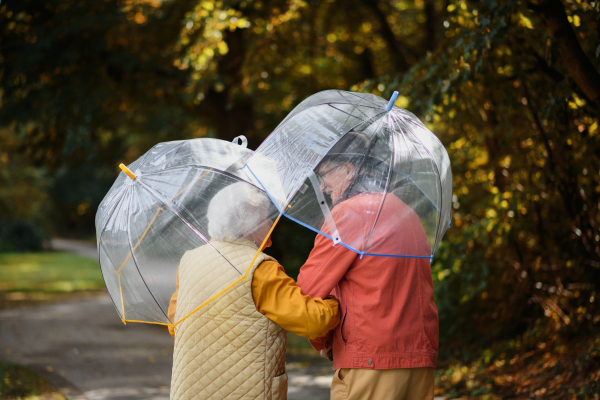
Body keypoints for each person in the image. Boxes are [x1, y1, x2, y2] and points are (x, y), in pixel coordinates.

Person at [296, 134, 438, 400]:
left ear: (349, 169)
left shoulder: (348, 214)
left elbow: (307, 291)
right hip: (420, 360)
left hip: (371, 363)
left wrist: (323, 342)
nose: (323, 185)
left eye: (324, 173)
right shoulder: (408, 213)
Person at [167, 182, 340, 400]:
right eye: (265, 217)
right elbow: (313, 321)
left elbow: (175, 322)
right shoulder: (259, 269)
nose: (270, 222)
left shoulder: (189, 261)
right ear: (245, 227)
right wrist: (339, 302)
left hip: (190, 391)